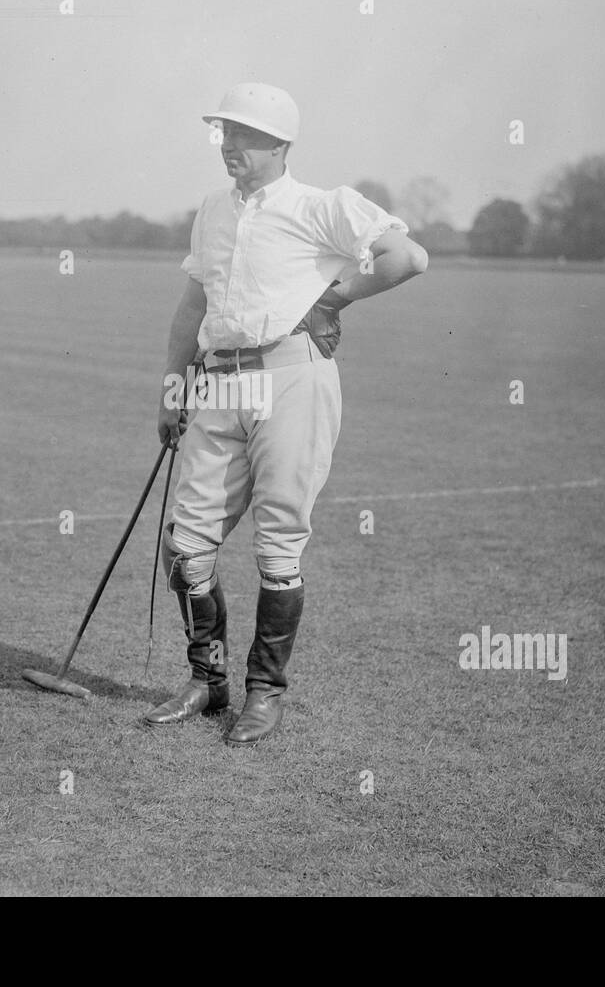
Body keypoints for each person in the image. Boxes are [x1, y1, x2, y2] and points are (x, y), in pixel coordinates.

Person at [145, 82, 428, 746]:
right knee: (186, 542)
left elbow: (406, 257)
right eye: (225, 134)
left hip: (293, 376)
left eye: (244, 136)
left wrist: (334, 300)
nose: (230, 146)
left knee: (278, 543)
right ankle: (206, 679)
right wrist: (172, 385)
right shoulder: (213, 210)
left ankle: (264, 693)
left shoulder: (321, 205)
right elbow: (193, 308)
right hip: (221, 382)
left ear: (280, 145)